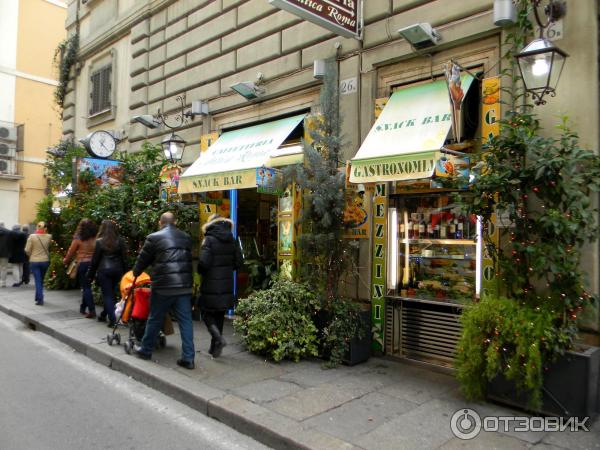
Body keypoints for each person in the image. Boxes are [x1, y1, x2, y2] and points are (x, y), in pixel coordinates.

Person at [132, 212, 195, 369]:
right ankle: (188, 358)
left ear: (160, 222)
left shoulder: (154, 238)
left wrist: (136, 272)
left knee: (155, 318)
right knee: (186, 321)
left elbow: (142, 260)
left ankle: (145, 350)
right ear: (175, 222)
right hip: (184, 286)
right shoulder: (186, 237)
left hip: (163, 287)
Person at [197, 214, 243, 358]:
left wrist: (201, 271)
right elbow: (239, 262)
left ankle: (218, 339)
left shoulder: (209, 240)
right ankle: (214, 348)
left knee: (205, 312)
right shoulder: (232, 239)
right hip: (226, 283)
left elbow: (203, 263)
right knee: (219, 315)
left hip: (210, 283)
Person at [87, 220, 127, 327]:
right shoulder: (120, 241)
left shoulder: (99, 242)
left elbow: (95, 261)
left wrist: (90, 275)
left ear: (103, 229)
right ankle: (104, 314)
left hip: (104, 271)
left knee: (108, 295)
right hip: (118, 271)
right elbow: (124, 259)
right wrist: (126, 273)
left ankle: (113, 320)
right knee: (111, 294)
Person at [63, 219, 98, 318]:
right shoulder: (95, 237)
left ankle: (92, 310)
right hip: (93, 264)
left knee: (86, 287)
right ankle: (83, 307)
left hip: (82, 263)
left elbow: (71, 251)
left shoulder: (78, 238)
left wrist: (65, 260)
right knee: (87, 286)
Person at [24, 222, 52, 305]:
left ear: (37, 227)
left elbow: (27, 250)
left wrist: (31, 255)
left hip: (34, 261)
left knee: (37, 280)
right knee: (41, 280)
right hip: (45, 261)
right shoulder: (49, 236)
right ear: (45, 228)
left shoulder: (32, 237)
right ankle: (37, 296)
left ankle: (40, 299)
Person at [0, 221, 12, 288]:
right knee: (4, 268)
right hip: (5, 253)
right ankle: (3, 282)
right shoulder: (8, 232)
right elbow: (11, 244)